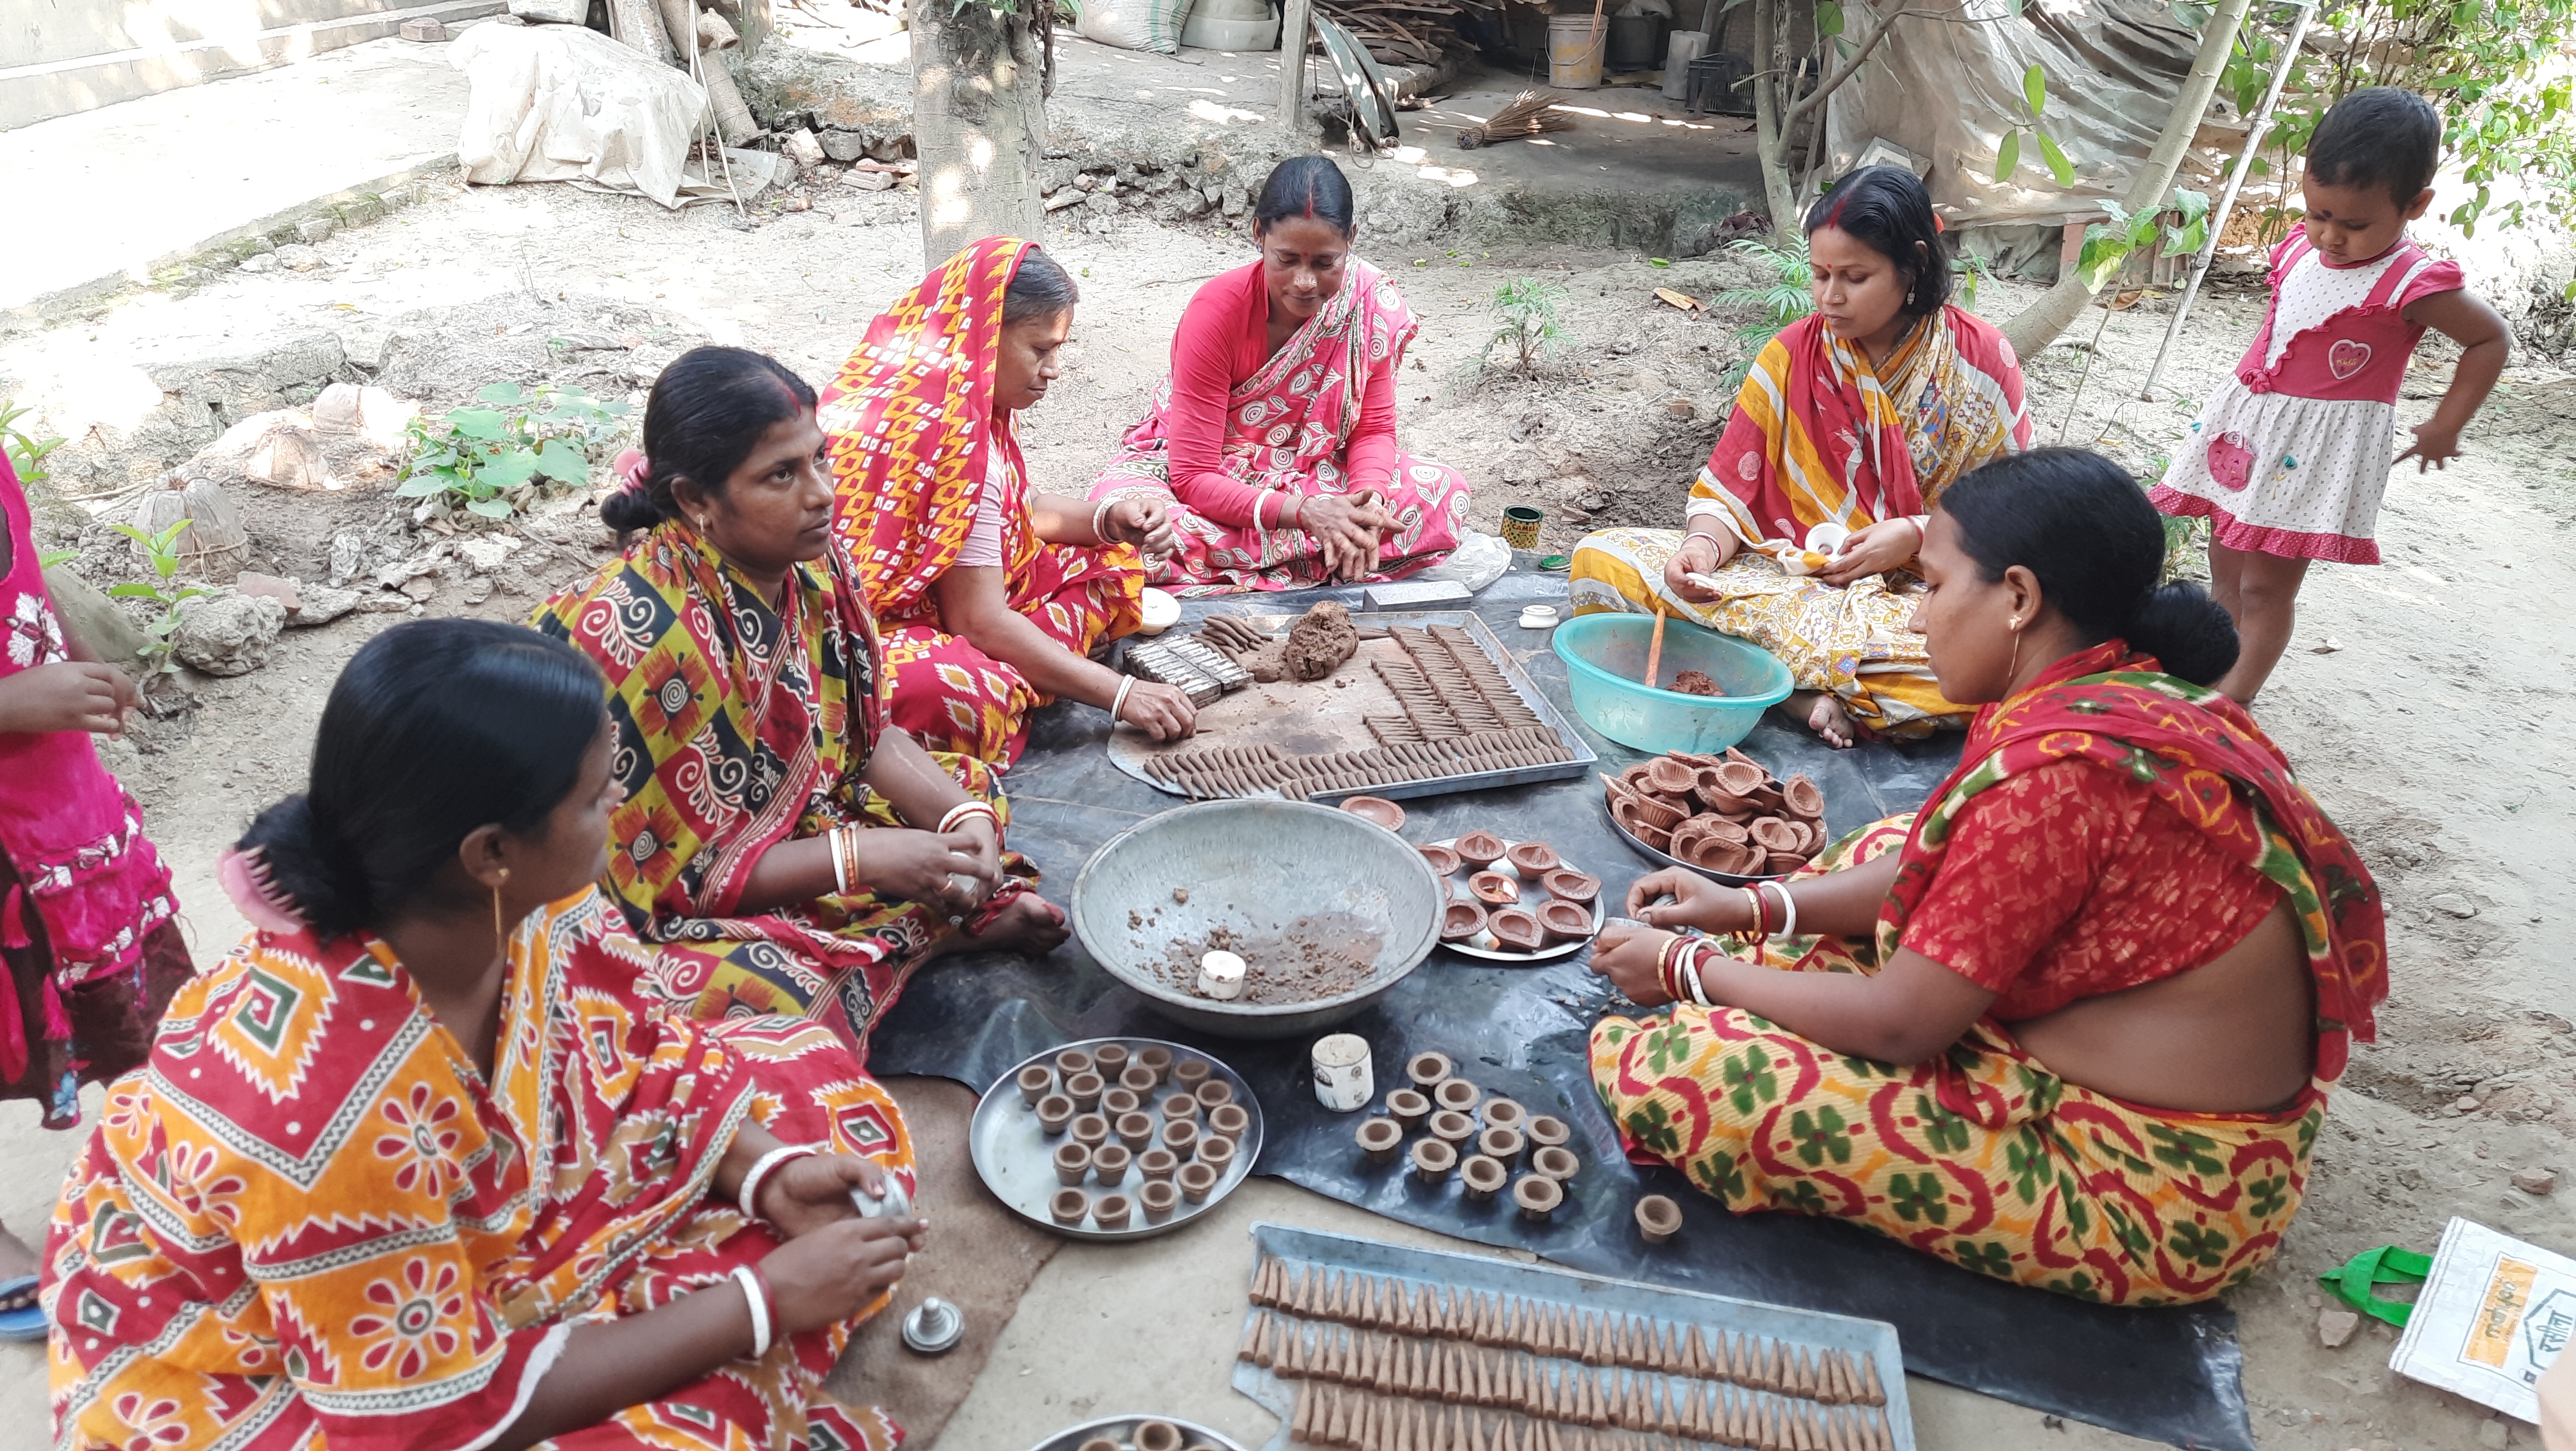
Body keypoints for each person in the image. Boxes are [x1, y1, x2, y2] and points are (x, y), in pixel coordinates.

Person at [46, 619, 928, 1451]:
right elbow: (428, 1417)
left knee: (817, 1094)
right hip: (283, 1360)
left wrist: (768, 1173)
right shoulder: (324, 1112)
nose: (618, 799)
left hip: (470, 1227)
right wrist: (762, 1303)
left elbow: (644, 1052)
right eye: (594, 794)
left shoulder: (519, 902)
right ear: (490, 851)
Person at [1587, 449, 2388, 1306]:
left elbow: (1903, 1030)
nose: (1920, 617)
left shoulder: (2059, 782)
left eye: (1930, 587)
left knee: (1686, 1071)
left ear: (2018, 598)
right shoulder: (2113, 691)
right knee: (1895, 845)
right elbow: (1931, 860)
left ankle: (1776, 1037)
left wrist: (1689, 969)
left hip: (2153, 1180)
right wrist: (1751, 905)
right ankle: (1794, 981)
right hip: (2105, 1055)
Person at [540, 346, 1066, 1064]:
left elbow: (863, 739)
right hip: (630, 898)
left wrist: (957, 819)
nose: (822, 493)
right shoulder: (644, 639)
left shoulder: (815, 562)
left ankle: (914, 919)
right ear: (696, 501)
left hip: (782, 832)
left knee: (969, 790)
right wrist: (861, 857)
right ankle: (928, 929)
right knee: (765, 997)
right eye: (781, 475)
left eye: (819, 459)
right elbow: (669, 883)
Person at [1570, 166, 2032, 748]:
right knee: (1600, 557)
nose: (1829, 297)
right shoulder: (1791, 354)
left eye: (1855, 277)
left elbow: (2015, 518)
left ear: (1912, 265)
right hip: (1781, 582)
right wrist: (1701, 547)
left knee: (2004, 666)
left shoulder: (1981, 361)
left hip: (1917, 602)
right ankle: (1795, 696)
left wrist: (1917, 536)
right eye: (1819, 275)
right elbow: (1729, 493)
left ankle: (1762, 678)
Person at [2151, 86, 2506, 706]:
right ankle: (2213, 672)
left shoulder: (2410, 282)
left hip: (2312, 455)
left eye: (2354, 224)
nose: (2329, 236)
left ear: (2414, 205)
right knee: (2226, 568)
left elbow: (2489, 340)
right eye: (2318, 213)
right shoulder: (2296, 248)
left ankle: (2232, 704)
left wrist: (2445, 425)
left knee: (2266, 587)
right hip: (2248, 432)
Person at [819, 238, 1194, 766]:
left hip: (959, 596)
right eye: (1041, 350)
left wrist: (1109, 520)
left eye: (1058, 350)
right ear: (984, 336)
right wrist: (1119, 694)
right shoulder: (954, 443)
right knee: (963, 692)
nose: (1054, 369)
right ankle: (1023, 673)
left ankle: (1034, 663)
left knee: (1108, 562)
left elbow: (1021, 508)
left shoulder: (938, 386)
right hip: (867, 632)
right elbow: (979, 622)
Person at [0, 453, 193, 1342]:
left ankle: (168, 1183)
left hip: (53, 799)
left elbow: (24, 578)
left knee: (135, 1011)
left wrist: (74, 665)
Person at [1087, 155, 1472, 595]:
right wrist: (1307, 514)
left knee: (1444, 491)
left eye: (1326, 263)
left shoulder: (1369, 305)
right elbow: (1192, 475)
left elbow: (1374, 430)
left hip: (1315, 472)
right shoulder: (1216, 313)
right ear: (1258, 235)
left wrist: (1366, 508)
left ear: (1351, 241)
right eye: (1287, 259)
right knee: (1133, 529)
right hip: (1213, 476)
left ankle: (1315, 552)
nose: (1305, 282)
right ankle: (1319, 557)